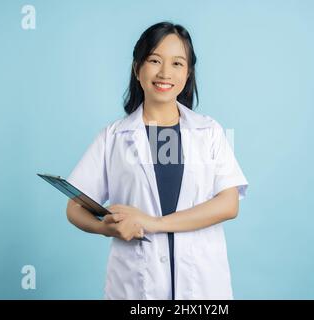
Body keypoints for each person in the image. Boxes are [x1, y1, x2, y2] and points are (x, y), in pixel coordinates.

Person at [66, 21, 248, 300]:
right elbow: (75, 207)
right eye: (154, 60)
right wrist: (105, 227)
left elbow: (228, 204)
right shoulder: (113, 137)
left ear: (188, 73)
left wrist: (151, 222)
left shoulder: (208, 132)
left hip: (202, 289)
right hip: (135, 288)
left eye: (177, 63)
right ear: (137, 68)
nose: (165, 73)